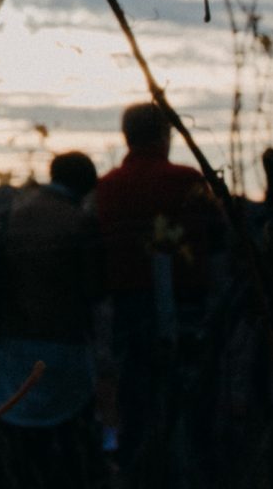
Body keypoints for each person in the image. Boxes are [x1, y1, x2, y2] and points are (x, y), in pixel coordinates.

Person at [95, 102, 216, 483]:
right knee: (191, 394)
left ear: (126, 136)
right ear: (166, 135)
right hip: (189, 304)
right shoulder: (187, 180)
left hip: (128, 306)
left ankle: (136, 471)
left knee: (134, 397)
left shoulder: (108, 187)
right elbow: (219, 235)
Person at [0, 151, 105, 488]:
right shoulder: (80, 221)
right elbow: (94, 287)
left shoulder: (9, 216)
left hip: (13, 339)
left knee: (19, 438)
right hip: (66, 342)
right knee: (66, 439)